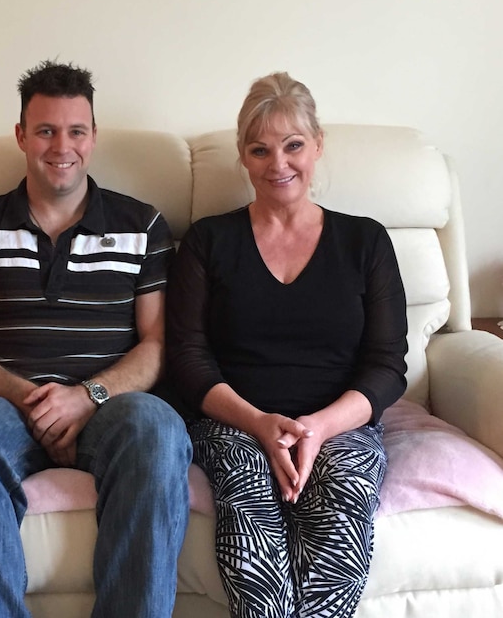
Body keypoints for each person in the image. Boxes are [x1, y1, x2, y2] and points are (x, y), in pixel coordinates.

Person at [0, 60, 192, 618]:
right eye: (45, 130)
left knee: (160, 428)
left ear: (93, 137)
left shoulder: (143, 225)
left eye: (75, 130)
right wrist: (35, 401)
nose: (60, 146)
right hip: (4, 407)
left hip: (110, 407)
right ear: (21, 135)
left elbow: (157, 345)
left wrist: (84, 398)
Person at [166, 72, 408, 618]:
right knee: (249, 511)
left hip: (341, 423)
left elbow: (388, 365)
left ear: (318, 146)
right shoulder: (208, 240)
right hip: (232, 423)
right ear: (244, 158)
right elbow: (187, 356)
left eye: (293, 144)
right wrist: (258, 423)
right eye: (261, 149)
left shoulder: (365, 240)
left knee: (344, 493)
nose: (279, 164)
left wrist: (319, 427)